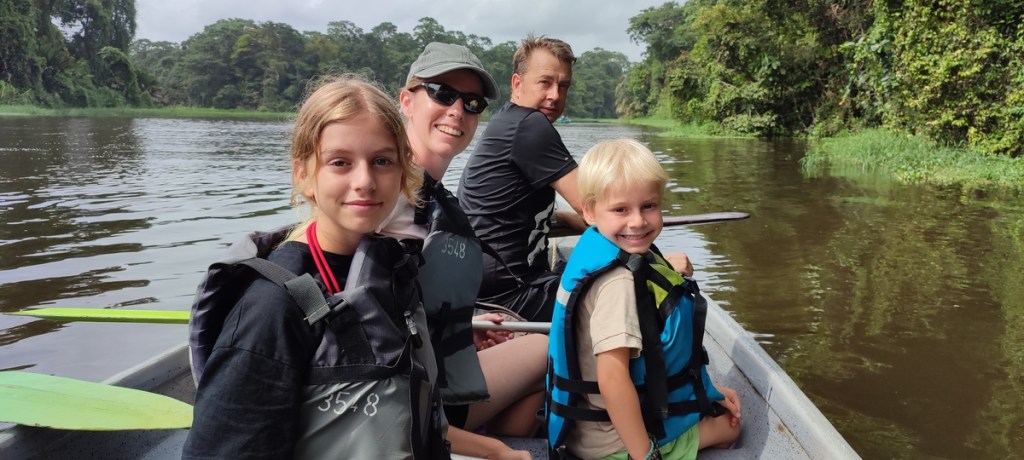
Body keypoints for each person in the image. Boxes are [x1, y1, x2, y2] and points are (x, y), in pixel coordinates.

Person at [183, 75, 444, 459]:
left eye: (382, 161)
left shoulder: (391, 270)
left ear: (404, 172)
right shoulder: (272, 307)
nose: (365, 181)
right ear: (304, 175)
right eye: (340, 163)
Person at [378, 42, 544, 459]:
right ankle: (493, 444)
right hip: (402, 404)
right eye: (442, 93)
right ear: (406, 100)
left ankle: (499, 437)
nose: (457, 110)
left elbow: (402, 302)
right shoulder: (383, 197)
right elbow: (374, 328)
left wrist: (464, 323)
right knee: (552, 345)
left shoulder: (432, 198)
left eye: (471, 103)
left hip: (427, 380)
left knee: (514, 334)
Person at [457, 35, 692, 323]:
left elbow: (582, 211)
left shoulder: (508, 121)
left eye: (563, 85)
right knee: (645, 297)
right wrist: (661, 265)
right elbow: (597, 208)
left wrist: (565, 219)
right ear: (517, 84)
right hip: (511, 295)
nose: (555, 95)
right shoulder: (529, 126)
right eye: (545, 82)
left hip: (490, 286)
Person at [546, 139, 741, 459]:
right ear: (590, 211)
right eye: (621, 209)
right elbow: (612, 380)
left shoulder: (601, 248)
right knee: (730, 427)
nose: (637, 221)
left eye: (648, 206)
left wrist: (708, 392)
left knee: (715, 407)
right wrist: (644, 454)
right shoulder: (617, 284)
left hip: (590, 429)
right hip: (611, 445)